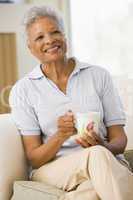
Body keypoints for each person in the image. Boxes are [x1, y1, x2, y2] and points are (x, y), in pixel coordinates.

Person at [9, 5, 133, 200]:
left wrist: (103, 145)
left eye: (55, 32)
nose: (50, 40)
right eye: (39, 37)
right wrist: (60, 135)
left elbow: (119, 139)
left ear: (65, 37)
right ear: (30, 48)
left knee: (93, 189)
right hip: (54, 169)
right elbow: (34, 157)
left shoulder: (98, 76)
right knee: (97, 156)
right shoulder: (23, 90)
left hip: (104, 161)